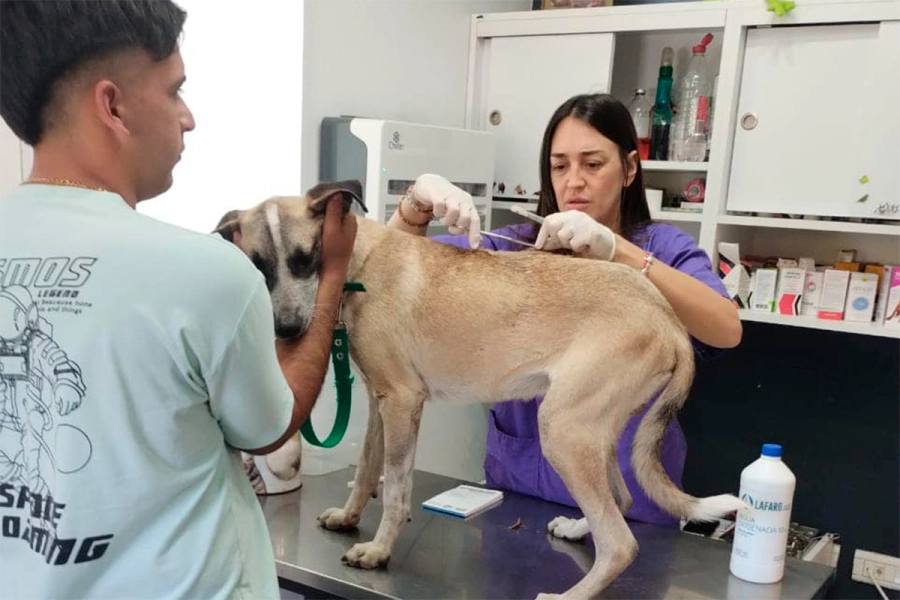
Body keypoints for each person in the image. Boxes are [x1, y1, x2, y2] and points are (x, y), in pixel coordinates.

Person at [0, 2, 356, 598]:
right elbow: (271, 427)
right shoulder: (203, 271)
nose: (188, 118)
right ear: (112, 105)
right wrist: (333, 274)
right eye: (175, 91)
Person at [388, 93, 742, 527]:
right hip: (518, 493)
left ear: (629, 168)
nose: (574, 181)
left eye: (592, 165)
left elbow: (726, 329)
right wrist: (418, 200)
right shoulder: (515, 245)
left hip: (628, 504)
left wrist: (619, 252)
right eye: (560, 166)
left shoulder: (662, 247)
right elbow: (396, 271)